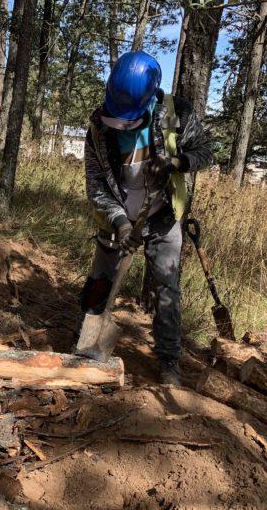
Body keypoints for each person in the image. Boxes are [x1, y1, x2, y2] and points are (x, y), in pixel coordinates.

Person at [79, 50, 213, 386]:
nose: (121, 125)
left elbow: (206, 151)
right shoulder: (99, 125)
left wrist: (176, 163)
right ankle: (85, 343)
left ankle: (169, 361)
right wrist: (119, 221)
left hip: (163, 217)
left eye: (128, 119)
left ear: (149, 98)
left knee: (167, 290)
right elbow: (95, 184)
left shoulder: (175, 113)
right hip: (117, 218)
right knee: (100, 282)